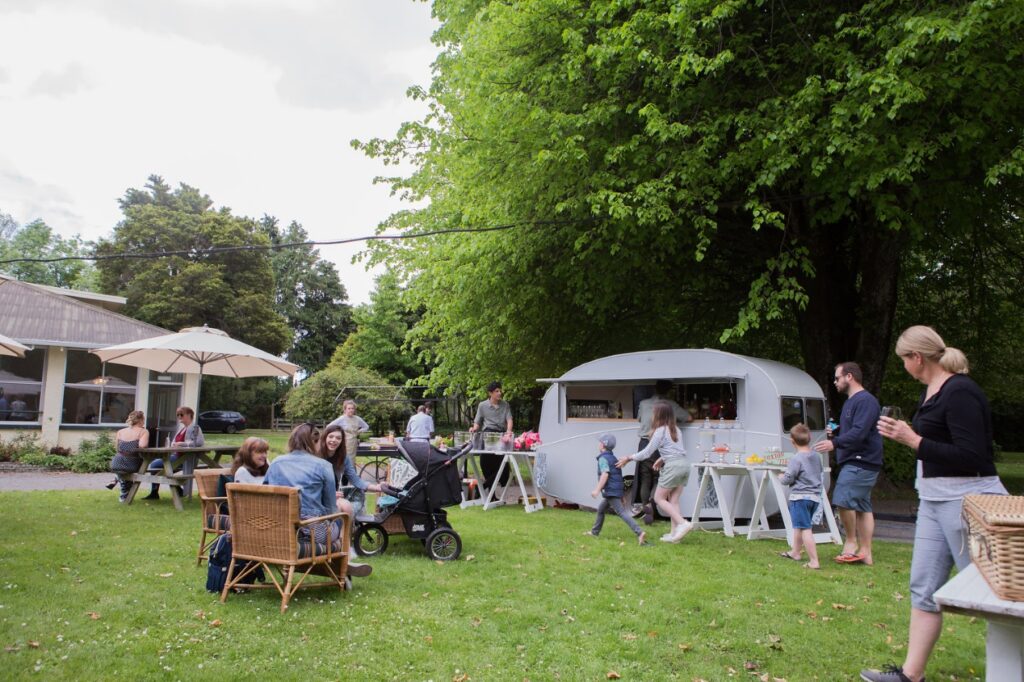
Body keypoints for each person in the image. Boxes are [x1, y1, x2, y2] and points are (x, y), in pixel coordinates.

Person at [860, 326, 1006, 682]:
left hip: (968, 502)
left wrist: (913, 440)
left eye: (903, 360)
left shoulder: (960, 392)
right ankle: (911, 675)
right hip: (932, 500)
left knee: (994, 595)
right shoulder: (931, 391)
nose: (904, 367)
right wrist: (911, 438)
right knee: (923, 587)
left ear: (917, 358)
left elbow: (972, 456)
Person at [264, 423, 372, 578]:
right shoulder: (323, 466)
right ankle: (343, 563)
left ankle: (339, 564)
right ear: (313, 442)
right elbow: (330, 509)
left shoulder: (276, 462)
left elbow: (267, 494)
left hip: (278, 529)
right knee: (343, 518)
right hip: (312, 532)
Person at [814, 361, 883, 565]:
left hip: (862, 460)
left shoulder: (866, 401)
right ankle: (866, 553)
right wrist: (836, 431)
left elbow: (860, 433)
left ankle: (851, 542)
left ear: (849, 376)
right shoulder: (850, 402)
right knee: (862, 506)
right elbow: (854, 429)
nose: (835, 382)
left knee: (842, 500)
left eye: (837, 378)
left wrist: (834, 443)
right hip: (857, 460)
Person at [616, 402, 693, 543]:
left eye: (654, 413)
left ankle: (683, 523)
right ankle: (674, 535)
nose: (652, 415)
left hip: (673, 467)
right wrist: (661, 459)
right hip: (684, 465)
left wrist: (629, 457)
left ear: (658, 415)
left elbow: (646, 452)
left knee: (658, 498)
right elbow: (677, 450)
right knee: (673, 500)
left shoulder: (660, 431)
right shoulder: (676, 429)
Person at [634, 380, 691, 523]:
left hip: (644, 442)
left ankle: (646, 505)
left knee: (645, 477)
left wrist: (629, 457)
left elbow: (639, 419)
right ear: (669, 391)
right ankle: (654, 506)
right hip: (663, 446)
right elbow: (689, 417)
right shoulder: (670, 406)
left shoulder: (643, 403)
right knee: (657, 477)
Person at [583, 434, 648, 545]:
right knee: (601, 509)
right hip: (613, 491)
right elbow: (618, 478)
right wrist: (621, 495)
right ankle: (594, 532)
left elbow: (605, 474)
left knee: (621, 512)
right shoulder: (613, 458)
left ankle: (639, 532)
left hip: (610, 491)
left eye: (600, 442)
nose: (599, 444)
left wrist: (597, 490)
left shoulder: (603, 459)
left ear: (603, 445)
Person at [317, 424, 386, 517]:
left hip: (335, 497)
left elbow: (356, 480)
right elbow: (311, 485)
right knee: (343, 508)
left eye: (338, 438)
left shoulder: (343, 458)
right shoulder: (315, 456)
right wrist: (328, 494)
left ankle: (349, 525)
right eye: (331, 436)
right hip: (317, 498)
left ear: (342, 441)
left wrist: (377, 487)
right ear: (324, 438)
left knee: (351, 503)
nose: (334, 440)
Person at [778, 423, 822, 569]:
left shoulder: (796, 459)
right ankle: (795, 552)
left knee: (805, 529)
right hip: (814, 498)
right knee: (799, 526)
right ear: (809, 438)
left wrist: (781, 477)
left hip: (800, 498)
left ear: (792, 441)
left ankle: (814, 561)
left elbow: (788, 479)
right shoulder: (816, 456)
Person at [145, 406, 205, 500]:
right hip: (177, 456)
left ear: (189, 415)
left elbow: (199, 442)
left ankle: (158, 492)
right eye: (178, 415)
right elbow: (174, 442)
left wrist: (182, 444)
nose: (179, 417)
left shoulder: (195, 427)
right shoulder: (181, 428)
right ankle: (159, 492)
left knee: (156, 466)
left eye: (181, 414)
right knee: (157, 466)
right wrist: (173, 445)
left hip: (186, 459)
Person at [469, 381, 514, 489]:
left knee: (504, 468)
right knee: (486, 465)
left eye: (500, 391)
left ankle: (482, 487)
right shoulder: (482, 405)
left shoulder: (505, 405)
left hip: (501, 437)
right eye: (496, 391)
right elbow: (477, 422)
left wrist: (508, 432)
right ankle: (491, 494)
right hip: (487, 436)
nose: (499, 393)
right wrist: (474, 428)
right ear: (490, 393)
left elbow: (509, 420)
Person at [108, 410, 149, 502]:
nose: (144, 422)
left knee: (123, 471)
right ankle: (123, 492)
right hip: (132, 463)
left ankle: (118, 481)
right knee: (133, 468)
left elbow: (117, 448)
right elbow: (142, 446)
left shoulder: (120, 431)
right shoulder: (143, 431)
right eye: (143, 420)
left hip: (116, 462)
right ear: (141, 420)